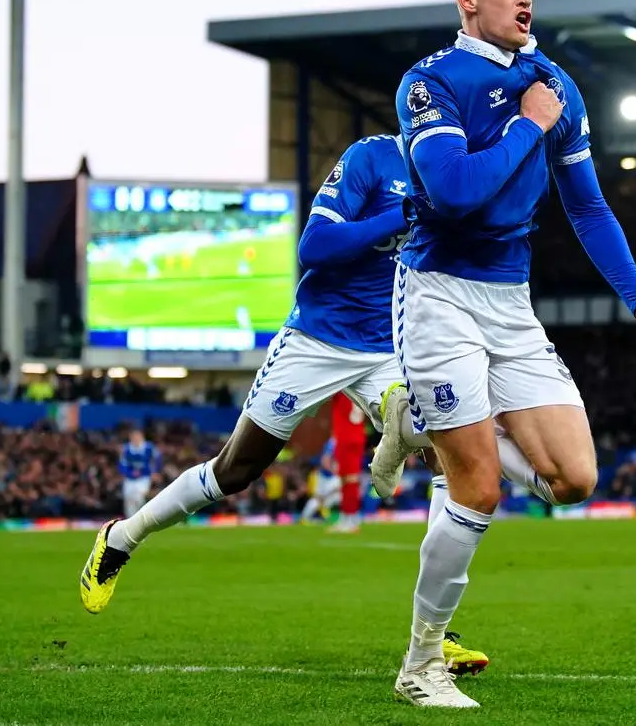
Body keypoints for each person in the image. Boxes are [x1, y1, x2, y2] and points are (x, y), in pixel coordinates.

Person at [384, 0, 636, 709]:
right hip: (438, 296)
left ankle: (421, 424)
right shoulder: (431, 82)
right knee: (479, 488)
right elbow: (454, 193)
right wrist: (527, 125)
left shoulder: (554, 84)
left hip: (510, 303)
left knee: (572, 480)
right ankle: (422, 663)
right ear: (469, 1)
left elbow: (587, 205)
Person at [77, 133, 488, 673]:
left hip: (391, 344)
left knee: (448, 452)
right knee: (236, 469)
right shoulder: (373, 157)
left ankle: (435, 637)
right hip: (317, 339)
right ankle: (122, 537)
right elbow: (314, 247)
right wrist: (399, 216)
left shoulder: (463, 177)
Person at [326, 392, 366, 534]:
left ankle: (349, 519)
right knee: (349, 480)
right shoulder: (357, 390)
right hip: (357, 434)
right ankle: (349, 518)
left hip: (345, 436)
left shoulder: (343, 388)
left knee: (348, 480)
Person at [119, 428, 161, 518]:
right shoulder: (126, 449)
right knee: (128, 499)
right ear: (130, 438)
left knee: (138, 497)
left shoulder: (149, 447)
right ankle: (129, 519)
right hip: (130, 478)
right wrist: (128, 473)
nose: (136, 439)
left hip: (144, 477)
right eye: (134, 437)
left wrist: (155, 472)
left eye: (138, 437)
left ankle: (140, 518)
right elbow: (122, 464)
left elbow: (157, 459)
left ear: (142, 437)